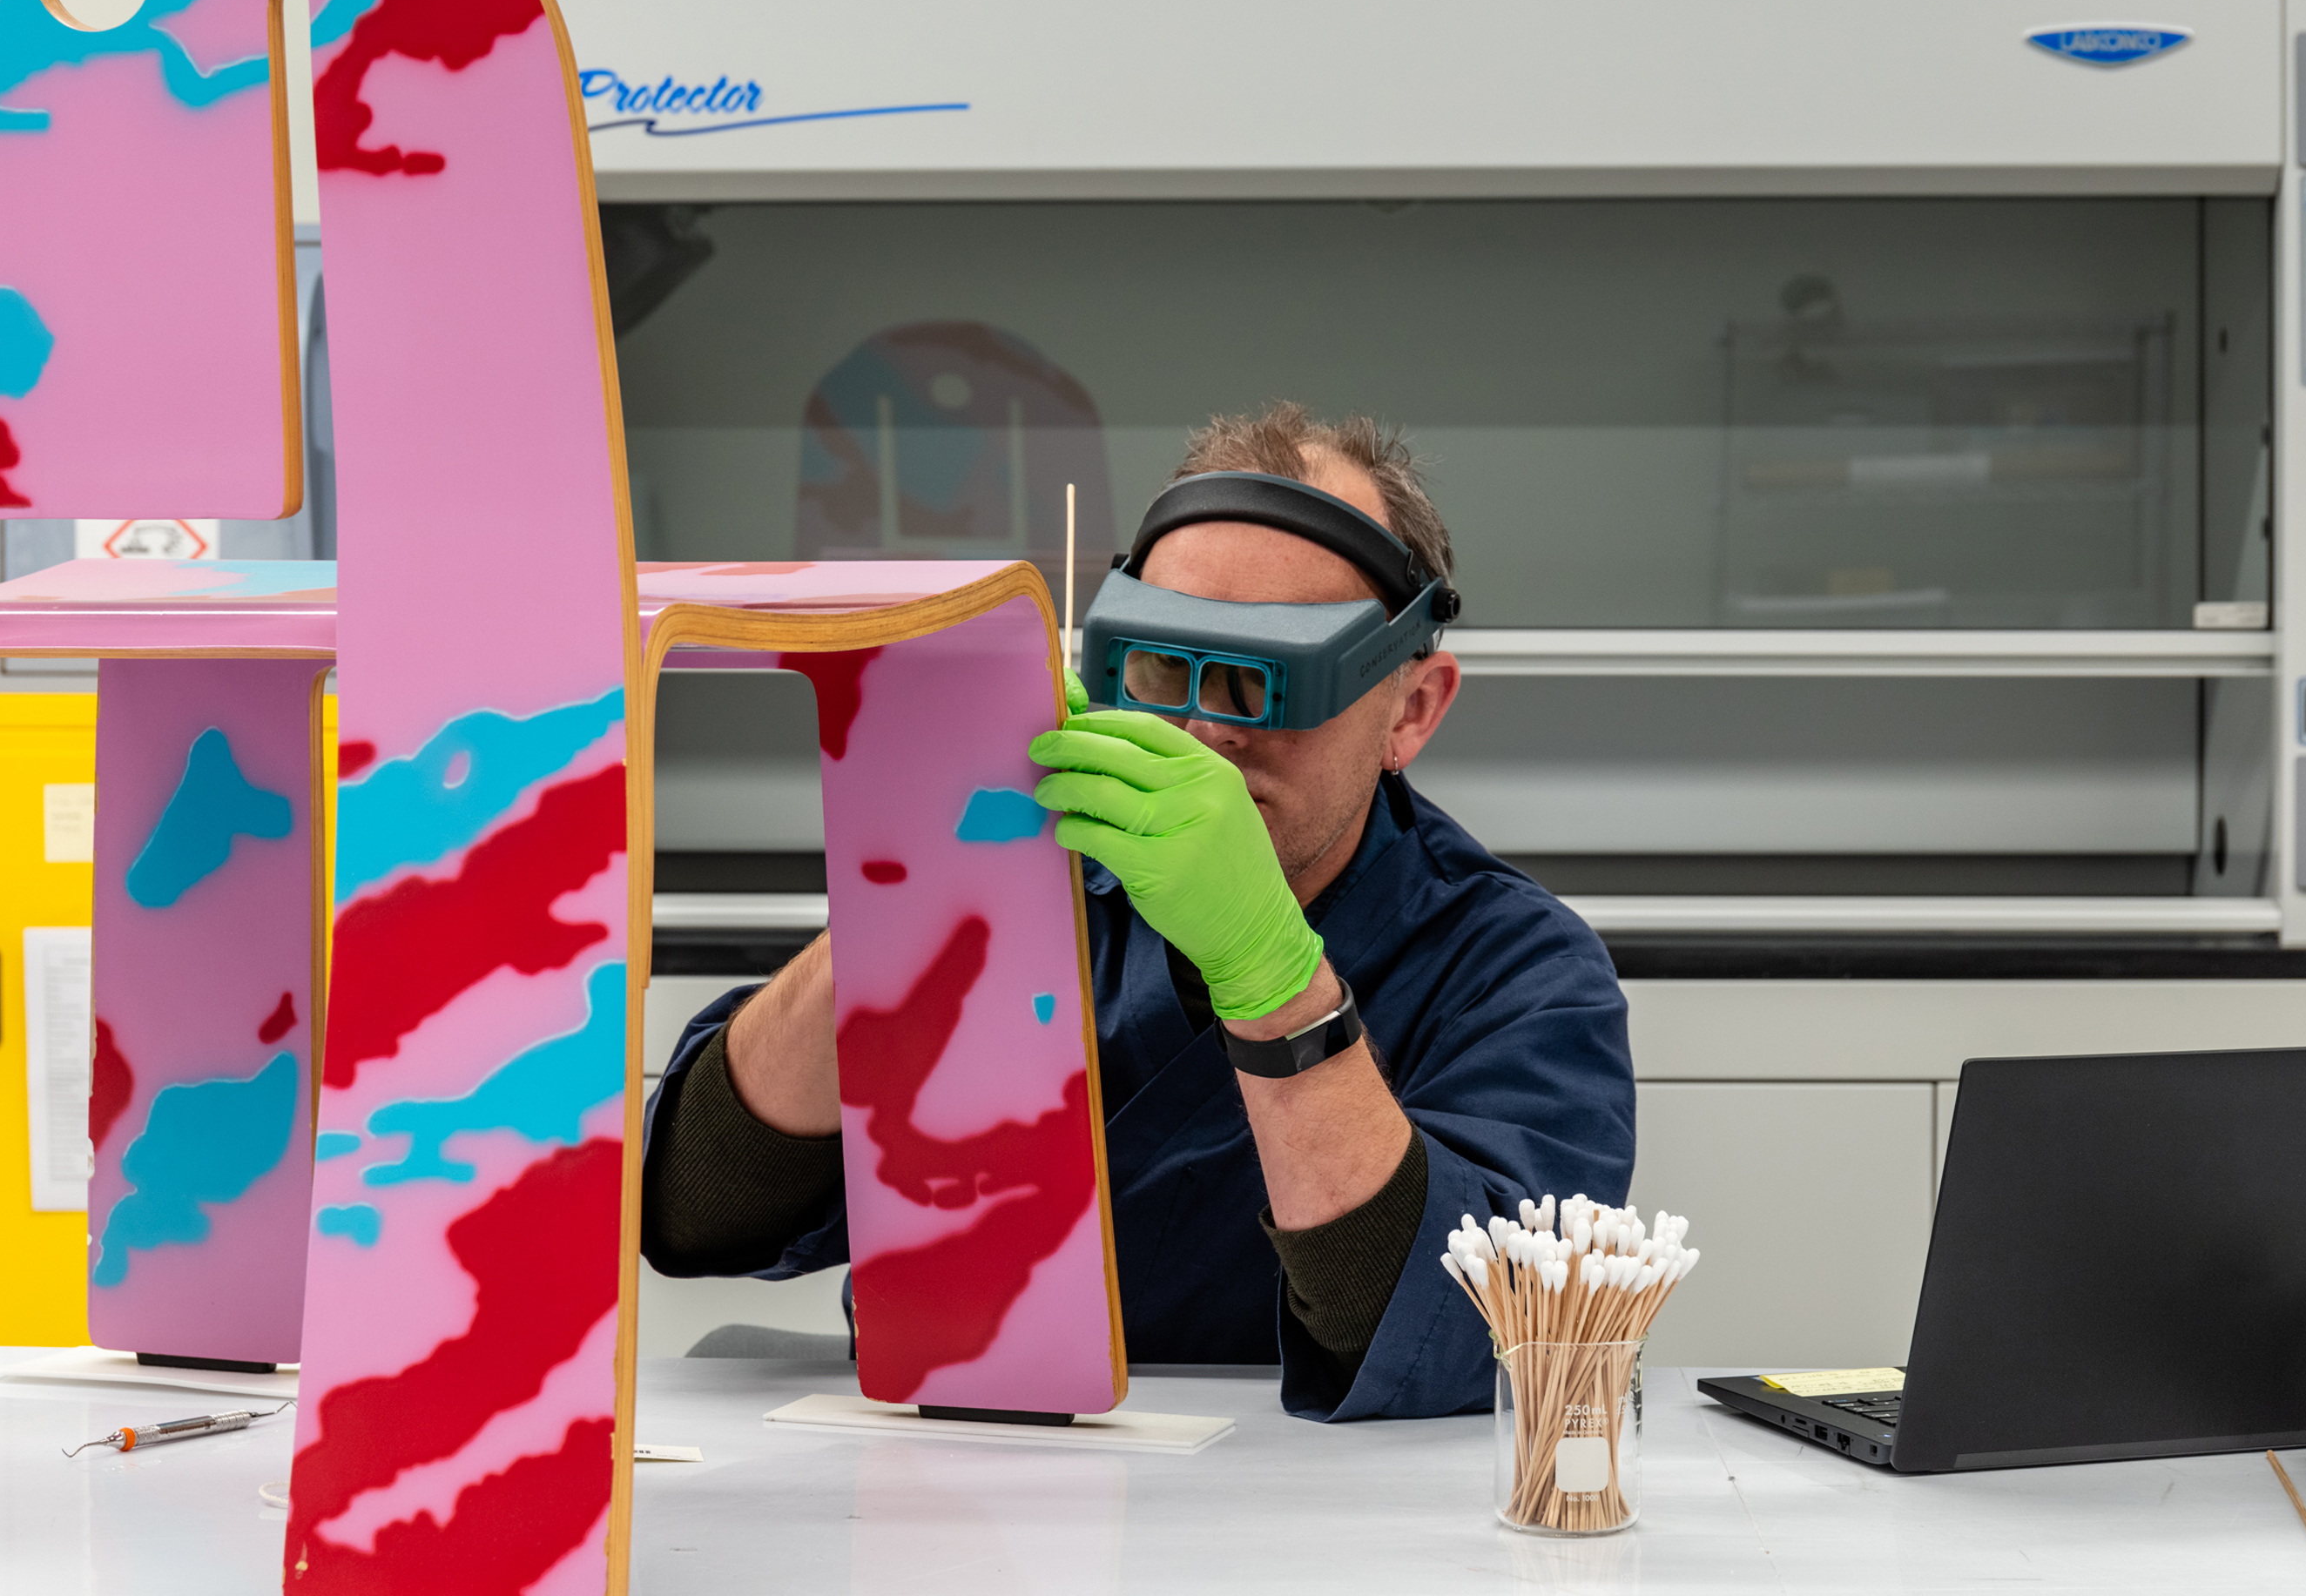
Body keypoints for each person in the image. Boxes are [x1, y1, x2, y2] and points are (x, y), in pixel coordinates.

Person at [640, 403, 1634, 1420]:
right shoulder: (1029, 882)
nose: (1207, 728)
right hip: (958, 1474)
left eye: (1267, 681)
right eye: (1164, 669)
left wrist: (1275, 979)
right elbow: (693, 1211)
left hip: (1304, 1511)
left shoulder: (1520, 971)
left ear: (1410, 709)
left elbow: (1485, 1337)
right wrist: (909, 896)